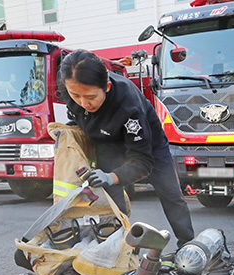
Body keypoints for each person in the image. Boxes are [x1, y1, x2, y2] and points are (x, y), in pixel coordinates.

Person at [59, 50, 195, 248]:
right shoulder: (70, 87)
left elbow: (143, 162)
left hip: (147, 146)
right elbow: (78, 113)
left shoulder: (129, 107)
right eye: (75, 95)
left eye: (90, 96)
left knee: (170, 192)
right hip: (106, 140)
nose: (83, 103)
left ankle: (188, 244)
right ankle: (119, 245)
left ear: (106, 87)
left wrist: (111, 176)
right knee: (110, 197)